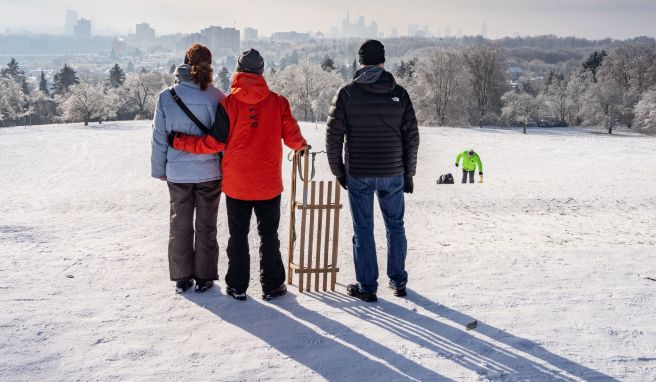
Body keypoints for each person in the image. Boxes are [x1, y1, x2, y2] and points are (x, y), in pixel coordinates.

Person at [169, 49, 309, 301]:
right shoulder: (278, 102)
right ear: (261, 72)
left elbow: (214, 144)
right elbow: (293, 139)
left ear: (238, 71)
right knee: (269, 236)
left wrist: (180, 142)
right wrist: (303, 146)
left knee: (238, 236)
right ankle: (273, 285)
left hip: (237, 184)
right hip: (268, 184)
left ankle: (237, 285)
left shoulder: (228, 104)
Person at [326, 40, 420, 302]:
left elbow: (333, 136)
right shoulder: (399, 93)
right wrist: (408, 173)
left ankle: (367, 287)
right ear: (383, 62)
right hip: (393, 171)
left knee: (363, 229)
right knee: (395, 226)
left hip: (359, 172)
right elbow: (412, 136)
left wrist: (339, 171)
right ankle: (398, 281)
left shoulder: (346, 93)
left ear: (360, 62)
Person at [151, 44, 226, 294]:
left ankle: (182, 277)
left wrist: (159, 168)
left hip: (178, 172)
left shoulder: (166, 96)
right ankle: (205, 277)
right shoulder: (218, 97)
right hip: (210, 172)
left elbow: (159, 138)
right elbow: (226, 140)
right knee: (207, 226)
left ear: (184, 63)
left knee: (180, 224)